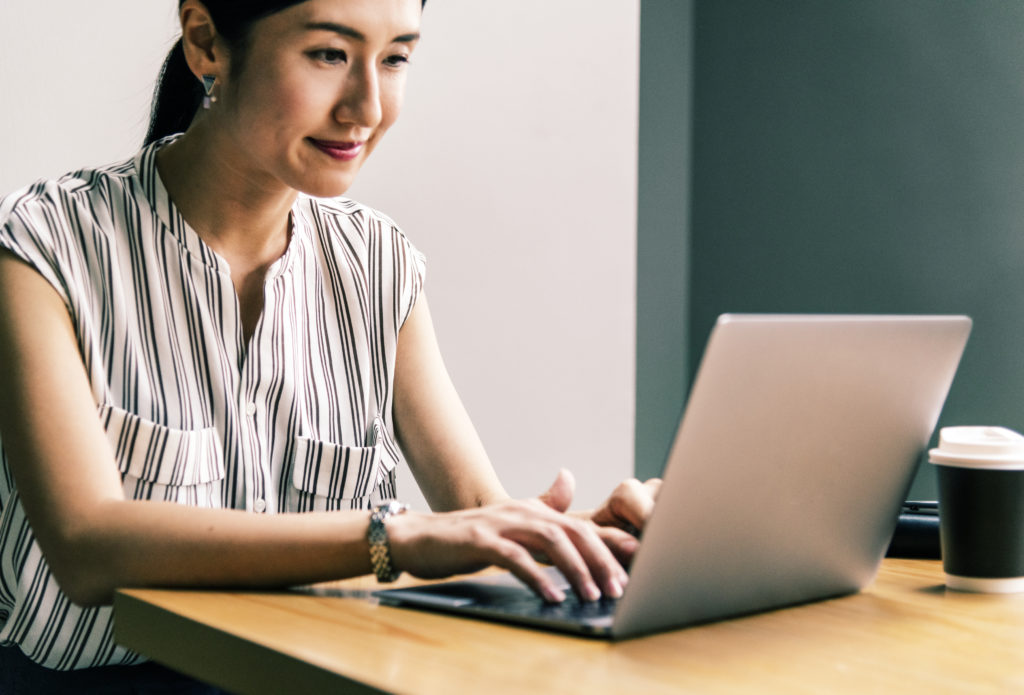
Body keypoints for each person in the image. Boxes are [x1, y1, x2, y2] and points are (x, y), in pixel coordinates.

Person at [0, 0, 659, 689]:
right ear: (206, 43)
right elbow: (87, 548)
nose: (366, 107)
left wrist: (594, 538)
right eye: (329, 55)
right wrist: (389, 537)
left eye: (396, 58)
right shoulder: (46, 247)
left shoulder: (378, 263)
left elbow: (474, 520)